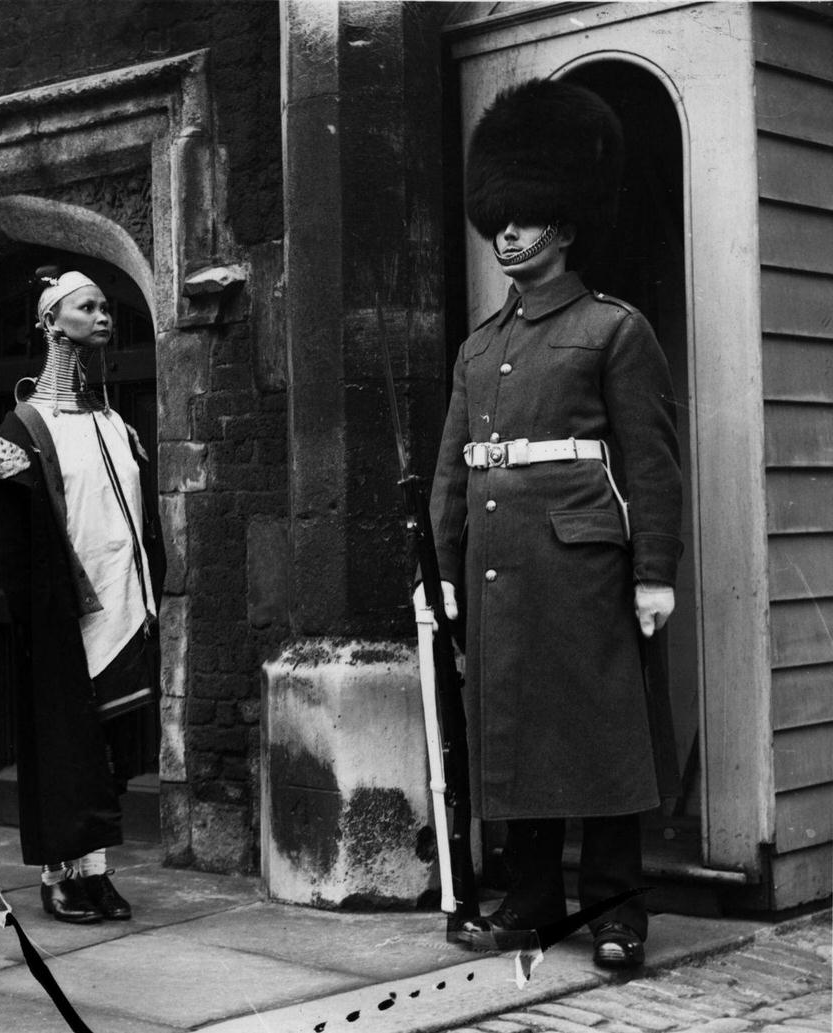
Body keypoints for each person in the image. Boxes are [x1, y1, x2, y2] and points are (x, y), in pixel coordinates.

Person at [418, 79, 683, 970]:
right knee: (513, 736)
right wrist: (444, 567)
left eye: (529, 218)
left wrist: (655, 571)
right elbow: (456, 467)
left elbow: (649, 463)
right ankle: (530, 901)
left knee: (603, 738)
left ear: (564, 227)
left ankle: (614, 912)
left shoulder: (614, 329)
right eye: (501, 219)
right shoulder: (479, 346)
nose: (509, 233)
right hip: (498, 566)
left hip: (582, 563)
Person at [0, 267, 165, 924]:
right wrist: (37, 608)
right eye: (87, 307)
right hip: (62, 612)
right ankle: (58, 875)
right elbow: (8, 532)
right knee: (62, 745)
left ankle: (98, 871)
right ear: (53, 323)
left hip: (123, 604)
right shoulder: (23, 424)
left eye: (107, 307)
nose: (103, 315)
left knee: (107, 746)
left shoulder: (113, 421)